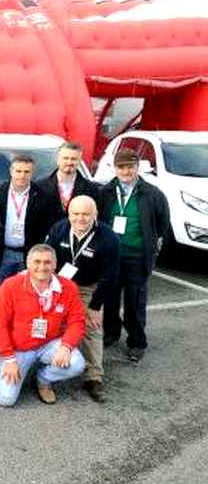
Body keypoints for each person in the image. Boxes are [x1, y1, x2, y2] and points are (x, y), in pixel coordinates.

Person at [97, 147, 170, 362]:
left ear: (137, 167)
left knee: (134, 300)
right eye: (121, 167)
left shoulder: (153, 193)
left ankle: (137, 342)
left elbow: (162, 222)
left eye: (130, 166)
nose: (126, 171)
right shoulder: (105, 193)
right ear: (115, 168)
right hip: (111, 255)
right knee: (109, 298)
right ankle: (111, 333)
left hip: (137, 256)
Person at [0, 244, 86, 407]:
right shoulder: (11, 285)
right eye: (37, 262)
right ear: (28, 264)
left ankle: (43, 379)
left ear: (55, 265)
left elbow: (76, 322)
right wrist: (9, 358)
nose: (42, 267)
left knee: (77, 363)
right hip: (19, 348)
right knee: (5, 400)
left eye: (47, 262)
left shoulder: (68, 287)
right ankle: (20, 367)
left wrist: (66, 347)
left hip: (49, 344)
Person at [46, 195, 120, 402]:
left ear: (95, 214)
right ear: (68, 214)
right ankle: (49, 369)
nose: (81, 218)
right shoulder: (58, 229)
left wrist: (96, 306)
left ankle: (94, 377)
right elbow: (47, 258)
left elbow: (111, 276)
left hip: (89, 287)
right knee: (54, 324)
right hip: (59, 284)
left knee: (92, 328)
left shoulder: (108, 238)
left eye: (86, 214)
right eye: (76, 214)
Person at [0, 155, 59, 284]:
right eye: (18, 171)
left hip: (30, 254)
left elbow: (50, 228)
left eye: (27, 172)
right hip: (2, 254)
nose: (22, 175)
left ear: (32, 173)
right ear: (11, 171)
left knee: (27, 291)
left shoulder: (44, 197)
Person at [36, 142, 100, 218]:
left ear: (79, 161)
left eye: (74, 159)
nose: (69, 162)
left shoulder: (91, 189)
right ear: (58, 160)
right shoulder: (39, 187)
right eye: (65, 158)